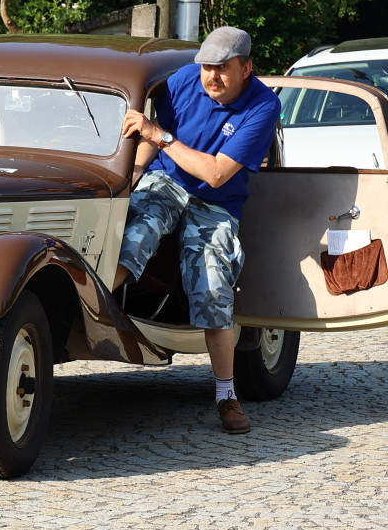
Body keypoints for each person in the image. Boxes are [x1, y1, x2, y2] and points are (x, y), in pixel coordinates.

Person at [115, 25, 281, 434]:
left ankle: (226, 394)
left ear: (246, 68)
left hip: (217, 199)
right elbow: (148, 140)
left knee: (213, 281)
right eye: (207, 67)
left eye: (222, 69)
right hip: (166, 180)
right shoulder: (183, 80)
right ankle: (95, 316)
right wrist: (130, 178)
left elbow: (217, 173)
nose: (211, 77)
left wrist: (162, 137)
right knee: (133, 232)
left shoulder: (262, 106)